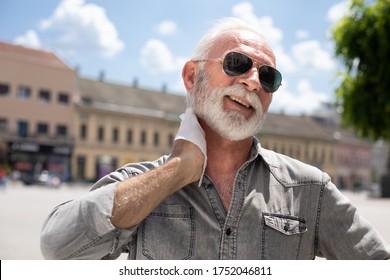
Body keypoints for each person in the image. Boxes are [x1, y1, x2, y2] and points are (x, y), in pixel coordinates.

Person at [40, 17, 390, 260]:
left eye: (268, 76)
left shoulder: (310, 190)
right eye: (237, 63)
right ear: (193, 76)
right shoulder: (139, 184)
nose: (253, 81)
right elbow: (58, 246)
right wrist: (179, 170)